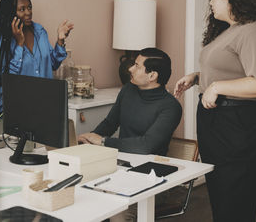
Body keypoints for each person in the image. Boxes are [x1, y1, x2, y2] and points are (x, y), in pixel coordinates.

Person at [174, 0, 256, 222]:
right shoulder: (229, 30)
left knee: (235, 196)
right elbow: (232, 71)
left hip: (239, 124)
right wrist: (198, 77)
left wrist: (217, 86)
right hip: (218, 122)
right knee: (222, 194)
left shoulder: (254, 31)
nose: (210, 3)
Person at [78, 48, 182, 222]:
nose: (130, 69)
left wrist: (102, 141)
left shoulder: (170, 107)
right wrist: (90, 137)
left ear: (152, 75)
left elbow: (146, 145)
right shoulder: (128, 91)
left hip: (151, 178)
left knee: (117, 214)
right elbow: (110, 124)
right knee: (77, 197)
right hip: (118, 169)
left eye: (136, 66)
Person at [0, 0, 74, 112]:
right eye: (22, 9)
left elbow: (53, 64)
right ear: (11, 13)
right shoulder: (0, 40)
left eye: (29, 7)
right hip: (18, 110)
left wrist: (60, 40)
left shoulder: (39, 31)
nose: (28, 12)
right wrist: (19, 44)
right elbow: (8, 80)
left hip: (45, 106)